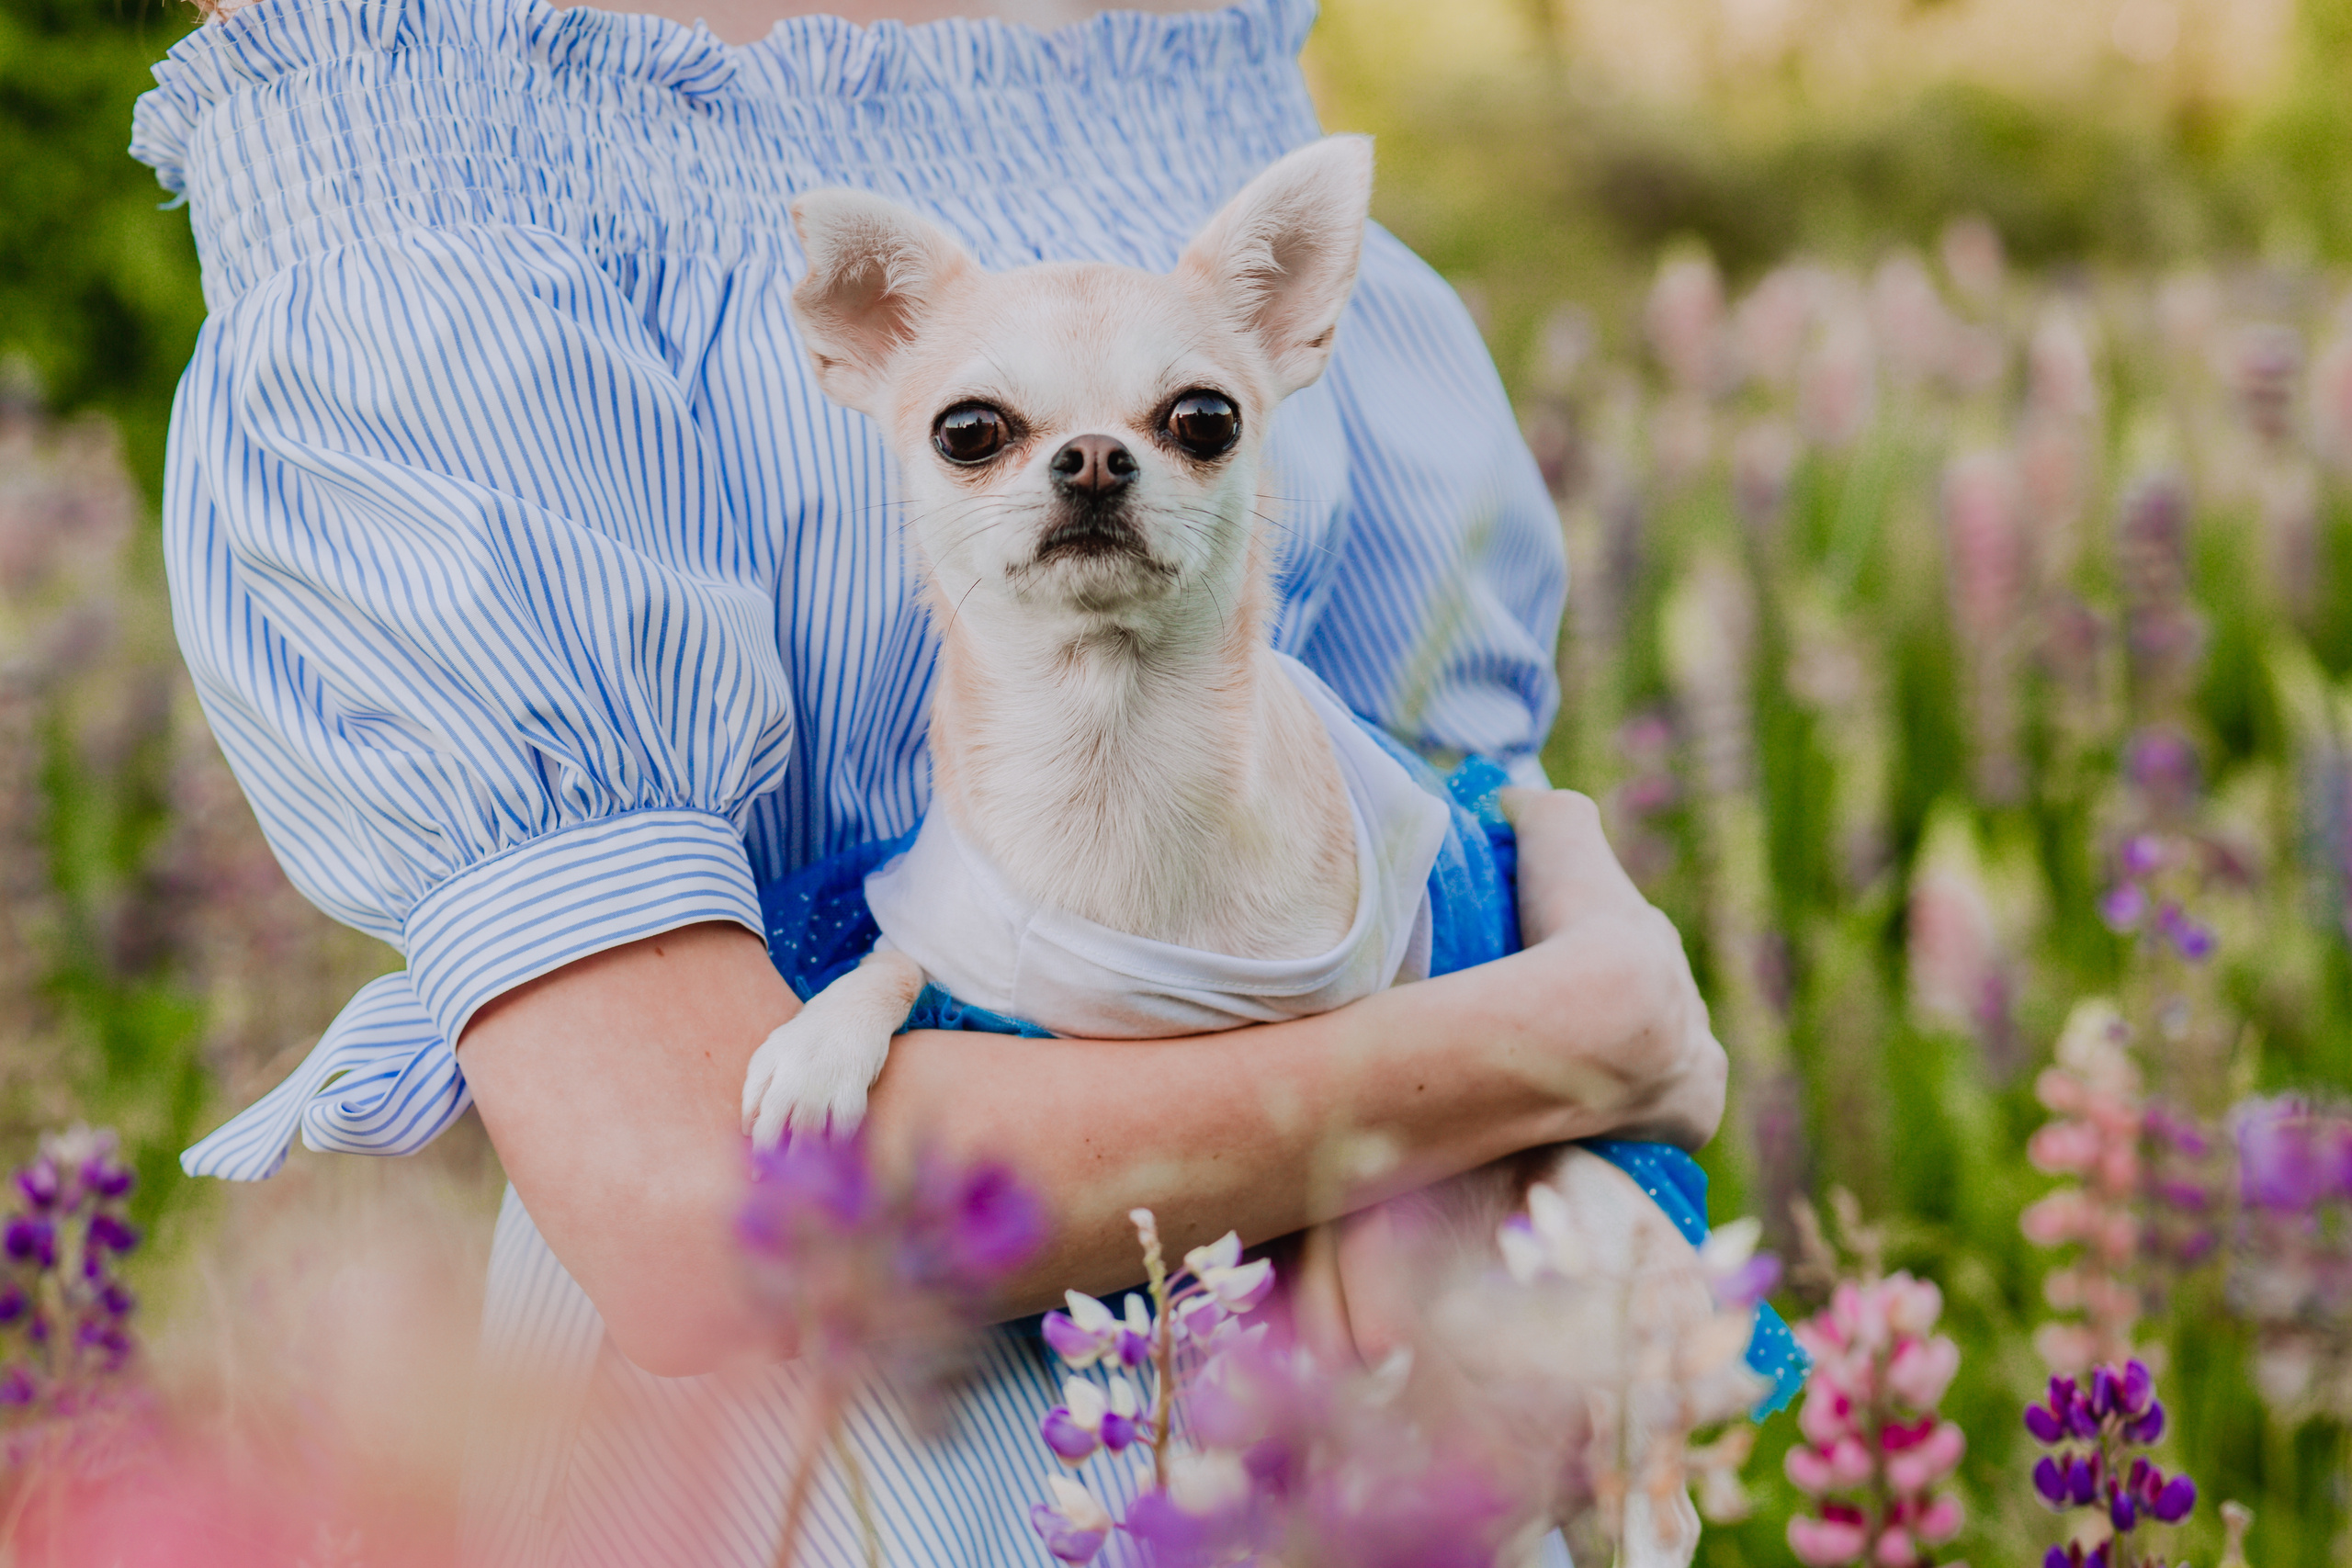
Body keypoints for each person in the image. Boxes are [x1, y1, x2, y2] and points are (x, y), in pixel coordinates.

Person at [132, 0, 1729, 1560]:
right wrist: (1573, 1040)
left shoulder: (1214, 51)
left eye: (1184, 425)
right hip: (842, 1455)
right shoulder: (418, 116)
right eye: (982, 432)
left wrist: (1550, 1215)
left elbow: (1460, 815)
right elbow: (699, 1203)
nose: (1095, 465)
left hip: (1386, 1424)